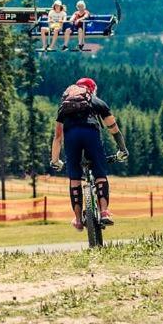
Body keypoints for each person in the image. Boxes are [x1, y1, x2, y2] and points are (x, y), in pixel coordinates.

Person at [50, 78, 127, 230]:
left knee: (74, 179)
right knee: (99, 173)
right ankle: (104, 212)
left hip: (71, 137)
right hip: (90, 133)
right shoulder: (96, 101)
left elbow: (58, 137)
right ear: (92, 89)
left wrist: (55, 160)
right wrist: (122, 149)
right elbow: (113, 129)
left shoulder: (64, 105)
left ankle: (78, 220)